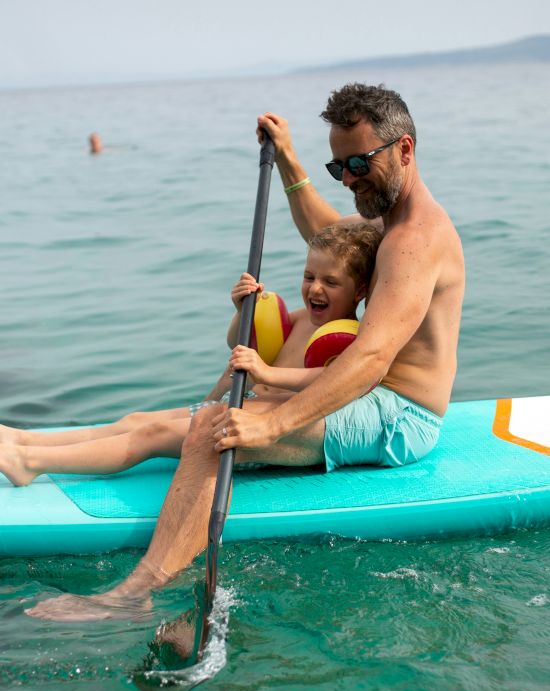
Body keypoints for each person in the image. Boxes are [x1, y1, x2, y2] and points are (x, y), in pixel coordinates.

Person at [26, 83, 465, 621]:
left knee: (217, 430)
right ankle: (30, 451)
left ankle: (134, 594)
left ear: (404, 150)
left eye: (358, 162)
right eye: (338, 166)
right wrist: (289, 162)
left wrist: (270, 427)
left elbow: (370, 360)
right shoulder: (388, 221)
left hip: (398, 416)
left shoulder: (414, 241)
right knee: (201, 419)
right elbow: (328, 233)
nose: (348, 177)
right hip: (370, 399)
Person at [1, 222, 379, 488]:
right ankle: (24, 441)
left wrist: (266, 373)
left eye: (331, 282)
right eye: (309, 275)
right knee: (135, 419)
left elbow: (334, 382)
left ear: (359, 290)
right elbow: (238, 343)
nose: (315, 288)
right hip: (238, 403)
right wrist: (241, 310)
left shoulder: (349, 340)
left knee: (151, 434)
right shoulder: (298, 321)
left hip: (264, 430)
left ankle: (31, 464)